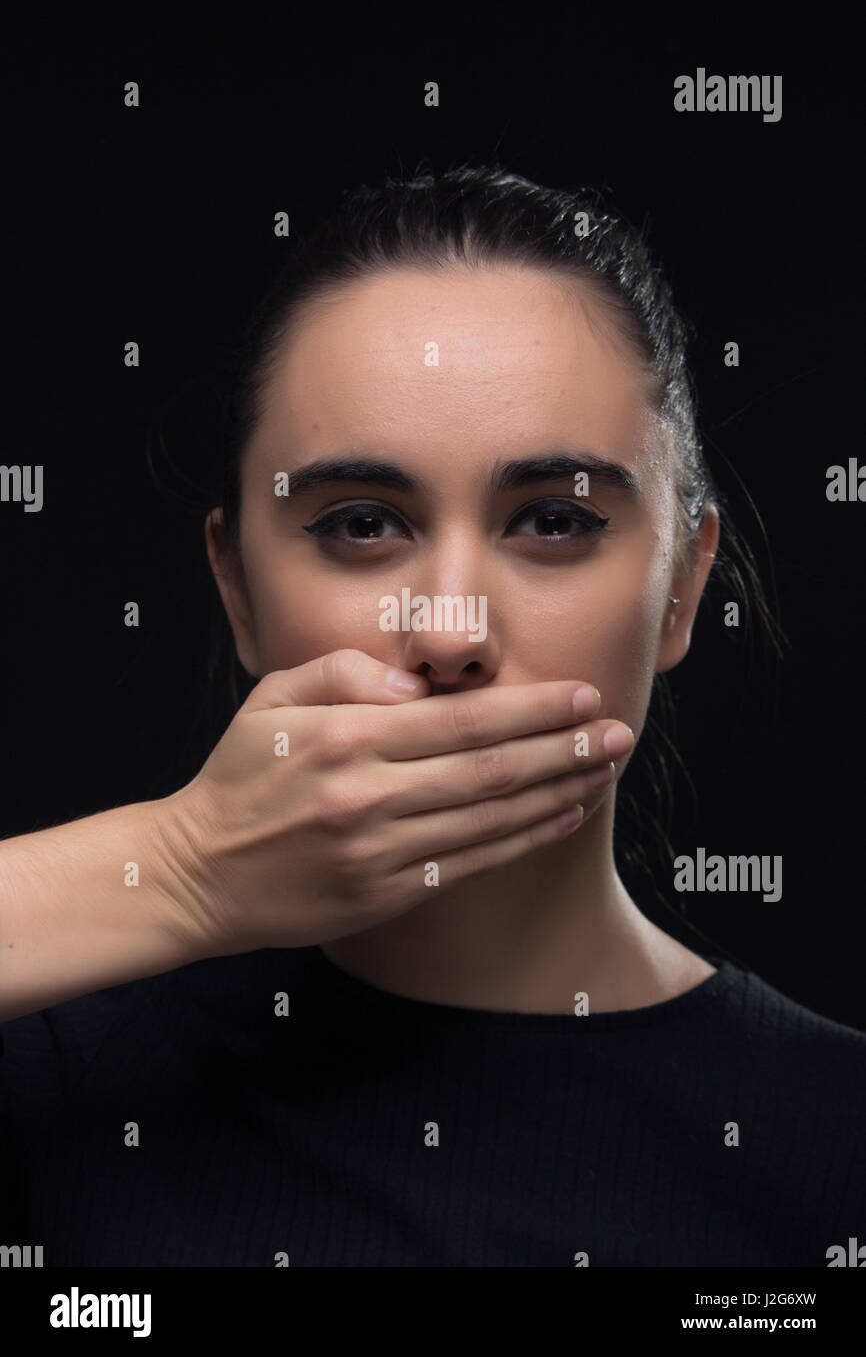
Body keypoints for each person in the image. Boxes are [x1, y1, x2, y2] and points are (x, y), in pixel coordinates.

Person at [1, 163, 863, 1268]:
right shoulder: (61, 1086)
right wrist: (176, 868)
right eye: (362, 523)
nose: (450, 629)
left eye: (552, 519)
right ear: (236, 591)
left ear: (681, 589)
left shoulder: (832, 1145)